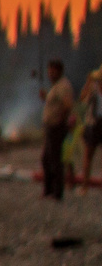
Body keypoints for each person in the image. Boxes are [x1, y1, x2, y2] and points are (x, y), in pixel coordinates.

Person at [41, 60, 76, 201]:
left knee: (54, 159)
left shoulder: (63, 85)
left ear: (59, 71)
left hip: (57, 126)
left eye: (53, 71)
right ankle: (49, 191)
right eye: (49, 71)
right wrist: (45, 98)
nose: (50, 74)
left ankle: (56, 193)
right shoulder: (56, 86)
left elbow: (67, 105)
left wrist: (61, 121)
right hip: (51, 126)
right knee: (47, 159)